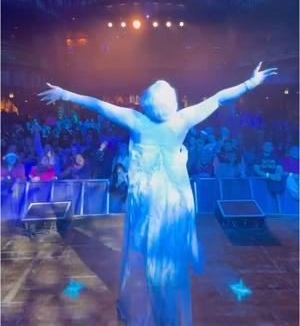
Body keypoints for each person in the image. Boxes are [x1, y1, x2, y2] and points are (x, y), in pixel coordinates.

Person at [39, 62, 277, 325]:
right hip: (174, 199)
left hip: (149, 197)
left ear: (148, 102)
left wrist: (66, 94)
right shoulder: (182, 120)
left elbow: (97, 104)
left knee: (149, 250)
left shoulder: (136, 120)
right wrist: (250, 83)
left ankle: (155, 292)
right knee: (168, 254)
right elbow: (219, 98)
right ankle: (165, 296)